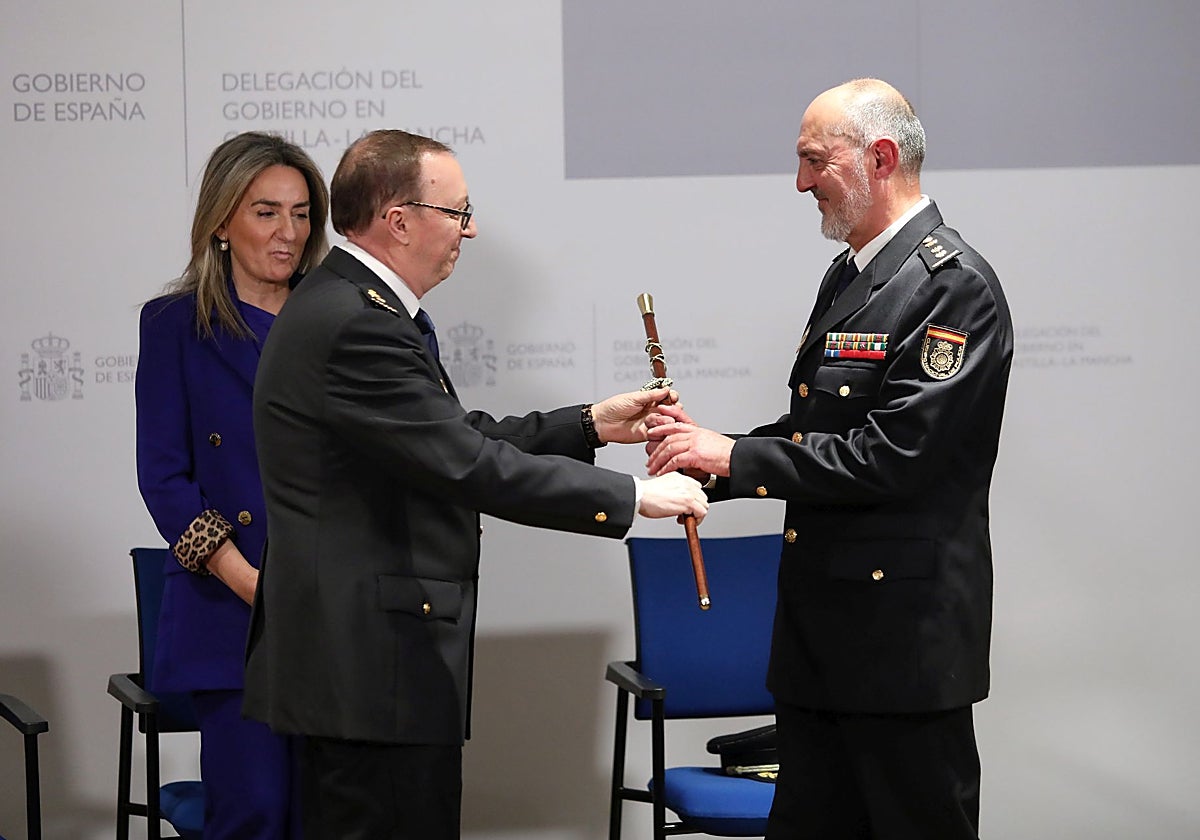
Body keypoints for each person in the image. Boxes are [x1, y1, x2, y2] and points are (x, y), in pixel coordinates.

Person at [242, 129, 708, 839]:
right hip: (370, 674)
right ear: (400, 220)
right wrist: (633, 498)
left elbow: (447, 439)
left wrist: (588, 424)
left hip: (372, 670)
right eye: (458, 212)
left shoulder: (353, 305)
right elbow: (467, 464)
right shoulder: (354, 322)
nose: (471, 227)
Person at [645, 78, 1013, 840]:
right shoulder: (852, 274)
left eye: (816, 160)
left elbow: (891, 457)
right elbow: (817, 427)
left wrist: (738, 458)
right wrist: (708, 455)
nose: (801, 182)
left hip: (901, 653)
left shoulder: (954, 288)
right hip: (822, 647)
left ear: (879, 158)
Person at [135, 131, 330, 838]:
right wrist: (247, 578)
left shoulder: (340, 318)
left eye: (303, 213)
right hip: (231, 612)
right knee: (254, 815)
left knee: (330, 817)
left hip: (335, 609)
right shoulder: (173, 326)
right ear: (222, 221)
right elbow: (163, 475)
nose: (289, 233)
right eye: (267, 212)